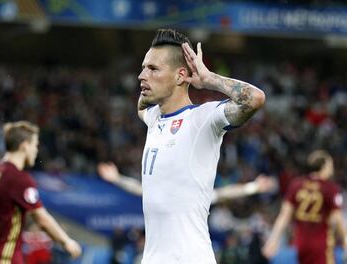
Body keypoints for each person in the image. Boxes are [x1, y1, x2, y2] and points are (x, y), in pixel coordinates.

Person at [136, 29, 265, 263]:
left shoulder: (203, 119)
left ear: (180, 76)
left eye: (153, 69)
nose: (142, 75)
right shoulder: (154, 118)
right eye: (144, 67)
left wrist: (208, 79)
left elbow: (254, 99)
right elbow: (141, 106)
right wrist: (149, 84)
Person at [0, 121, 81, 264]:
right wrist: (66, 241)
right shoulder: (19, 179)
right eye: (35, 145)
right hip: (5, 258)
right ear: (24, 145)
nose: (36, 150)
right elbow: (41, 218)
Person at [262, 150, 347, 264]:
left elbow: (284, 215)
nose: (331, 170)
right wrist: (346, 240)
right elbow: (338, 219)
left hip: (301, 243)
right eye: (330, 165)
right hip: (321, 243)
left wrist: (273, 239)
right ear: (323, 166)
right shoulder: (330, 188)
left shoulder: (296, 185)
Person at [97, 162, 276, 203]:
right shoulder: (166, 193)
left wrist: (253, 187)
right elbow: (138, 189)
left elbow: (223, 193)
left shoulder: (194, 194)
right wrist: (117, 178)